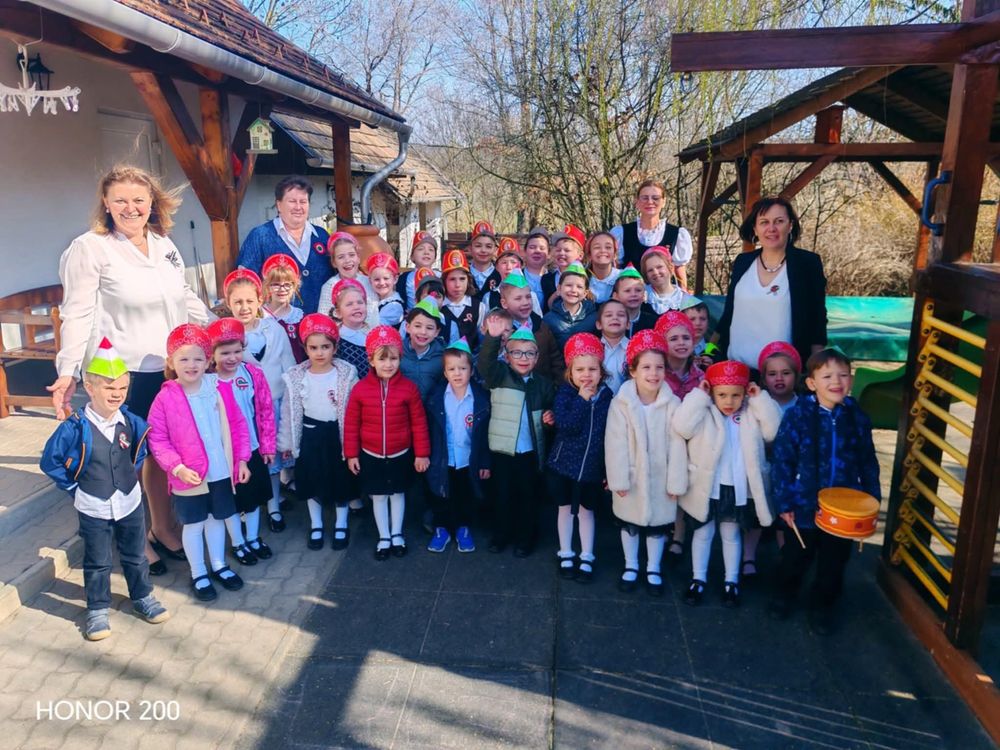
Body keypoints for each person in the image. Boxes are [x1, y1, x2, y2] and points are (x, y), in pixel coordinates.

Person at [50, 165, 214, 576]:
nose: (130, 208)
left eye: (139, 200)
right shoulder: (90, 248)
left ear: (152, 203)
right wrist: (68, 371)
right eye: (120, 200)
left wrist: (216, 329)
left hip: (165, 369)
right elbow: (76, 313)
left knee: (158, 455)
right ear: (105, 204)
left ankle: (163, 527)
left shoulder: (163, 244)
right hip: (118, 371)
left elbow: (184, 297)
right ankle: (135, 541)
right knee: (123, 460)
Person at [40, 339, 170, 641]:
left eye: (122, 388)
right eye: (109, 388)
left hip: (129, 501)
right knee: (98, 561)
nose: (117, 394)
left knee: (136, 554)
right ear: (89, 387)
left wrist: (131, 474)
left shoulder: (132, 421)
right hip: (93, 505)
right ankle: (97, 609)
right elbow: (50, 461)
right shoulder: (74, 427)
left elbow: (140, 449)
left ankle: (142, 596)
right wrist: (74, 487)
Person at [768, 348, 881, 635]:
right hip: (804, 504)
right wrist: (784, 501)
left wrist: (872, 499)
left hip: (844, 508)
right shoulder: (798, 415)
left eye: (843, 375)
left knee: (834, 561)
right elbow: (782, 460)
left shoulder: (856, 417)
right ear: (811, 383)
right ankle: (783, 595)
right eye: (827, 376)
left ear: (851, 380)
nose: (836, 382)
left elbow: (867, 460)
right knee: (795, 556)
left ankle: (823, 606)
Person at [146, 324, 251, 602]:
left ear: (208, 361)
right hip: (188, 475)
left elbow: (238, 425)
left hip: (220, 471)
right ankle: (198, 572)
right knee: (194, 525)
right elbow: (158, 439)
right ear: (171, 362)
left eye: (198, 359)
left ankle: (218, 564)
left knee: (216, 520)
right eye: (184, 359)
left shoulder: (218, 388)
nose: (191, 365)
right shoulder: (165, 398)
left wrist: (242, 460)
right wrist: (177, 467)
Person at [668, 361, 782, 608]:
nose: (729, 401)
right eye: (721, 395)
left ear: (745, 392)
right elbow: (681, 426)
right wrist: (699, 396)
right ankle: (698, 578)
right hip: (707, 486)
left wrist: (760, 399)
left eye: (735, 395)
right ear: (712, 392)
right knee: (703, 533)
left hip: (737, 487)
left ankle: (731, 581)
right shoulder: (704, 410)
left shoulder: (751, 412)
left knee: (731, 534)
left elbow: (773, 431)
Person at [344, 326, 431, 560]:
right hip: (371, 454)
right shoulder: (360, 390)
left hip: (400, 453)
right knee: (379, 496)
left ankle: (397, 533)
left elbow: (419, 423)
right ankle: (383, 536)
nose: (388, 364)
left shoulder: (408, 389)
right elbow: (351, 424)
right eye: (382, 359)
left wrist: (421, 453)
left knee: (398, 493)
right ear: (371, 360)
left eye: (393, 358)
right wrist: (351, 454)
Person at [604, 329, 680, 597]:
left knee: (658, 526)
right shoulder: (621, 404)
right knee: (630, 524)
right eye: (646, 367)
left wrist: (675, 481)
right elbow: (615, 444)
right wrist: (618, 479)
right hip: (632, 476)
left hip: (661, 477)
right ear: (633, 371)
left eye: (659, 367)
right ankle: (631, 564)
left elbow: (678, 445)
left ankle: (654, 567)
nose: (653, 373)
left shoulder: (672, 403)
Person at [715, 196, 828, 372]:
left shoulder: (807, 263)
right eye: (764, 222)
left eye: (779, 221)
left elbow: (817, 319)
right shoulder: (743, 262)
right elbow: (728, 314)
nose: (771, 228)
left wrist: (815, 369)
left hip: (783, 376)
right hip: (736, 371)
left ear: (790, 225)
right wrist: (709, 351)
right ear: (755, 228)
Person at [277, 314, 358, 551]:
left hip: (338, 436)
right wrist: (287, 442)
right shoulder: (296, 377)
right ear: (305, 349)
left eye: (325, 347)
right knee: (312, 481)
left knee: (341, 481)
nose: (320, 353)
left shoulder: (346, 374)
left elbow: (356, 409)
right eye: (313, 348)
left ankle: (341, 523)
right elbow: (289, 411)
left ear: (335, 347)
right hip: (311, 436)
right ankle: (316, 524)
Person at [225, 268, 295, 533]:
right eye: (237, 302)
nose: (244, 307)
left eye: (249, 301)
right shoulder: (227, 336)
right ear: (229, 303)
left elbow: (288, 364)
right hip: (241, 410)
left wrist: (290, 401)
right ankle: (248, 504)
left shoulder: (273, 329)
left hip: (272, 404)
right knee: (246, 457)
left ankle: (274, 505)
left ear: (259, 300)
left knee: (271, 457)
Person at [479, 325, 556, 556]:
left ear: (537, 357)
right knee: (501, 495)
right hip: (502, 451)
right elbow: (485, 365)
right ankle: (500, 535)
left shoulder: (543, 384)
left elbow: (549, 411)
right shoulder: (499, 376)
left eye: (529, 353)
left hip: (530, 451)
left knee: (527, 497)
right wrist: (493, 338)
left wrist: (550, 418)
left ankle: (525, 538)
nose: (523, 358)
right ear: (507, 356)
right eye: (517, 353)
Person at [206, 318, 276, 565]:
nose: (232, 358)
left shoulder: (252, 374)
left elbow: (266, 410)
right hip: (224, 454)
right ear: (212, 354)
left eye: (237, 351)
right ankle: (238, 542)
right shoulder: (208, 381)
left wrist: (268, 445)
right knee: (232, 502)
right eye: (225, 353)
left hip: (253, 448)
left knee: (253, 498)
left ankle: (254, 538)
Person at [547, 333, 612, 582]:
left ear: (601, 372)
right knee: (564, 509)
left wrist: (607, 470)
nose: (586, 375)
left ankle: (586, 555)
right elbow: (567, 425)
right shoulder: (565, 394)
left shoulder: (607, 397)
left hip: (592, 468)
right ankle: (565, 551)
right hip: (564, 465)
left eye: (592, 369)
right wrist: (583, 400)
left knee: (587, 511)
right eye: (580, 369)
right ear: (570, 373)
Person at [741, 340, 802, 577]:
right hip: (764, 468)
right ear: (764, 378)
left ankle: (786, 557)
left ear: (796, 375)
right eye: (772, 373)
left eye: (786, 373)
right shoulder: (756, 403)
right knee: (758, 514)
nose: (779, 378)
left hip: (792, 471)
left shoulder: (802, 406)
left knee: (786, 517)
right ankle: (748, 556)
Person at [425, 338, 492, 553]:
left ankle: (463, 527)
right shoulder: (436, 398)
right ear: (445, 373)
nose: (457, 373)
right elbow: (429, 430)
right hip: (442, 457)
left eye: (462, 368)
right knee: (440, 494)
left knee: (465, 494)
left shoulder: (480, 399)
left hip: (467, 458)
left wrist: (484, 462)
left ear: (471, 371)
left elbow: (484, 436)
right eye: (451, 369)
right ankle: (441, 529)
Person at [237, 176, 332, 314]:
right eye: (292, 201)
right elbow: (244, 282)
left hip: (322, 321)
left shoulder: (322, 236)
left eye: (303, 201)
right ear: (279, 205)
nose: (298, 207)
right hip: (277, 321)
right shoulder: (260, 236)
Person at [609, 178, 692, 290]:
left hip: (664, 297)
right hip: (632, 295)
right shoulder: (622, 233)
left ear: (663, 202)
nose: (650, 202)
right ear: (637, 202)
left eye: (655, 198)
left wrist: (684, 297)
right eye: (645, 198)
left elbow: (680, 273)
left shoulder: (676, 234)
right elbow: (616, 270)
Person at [498, 272, 565, 380]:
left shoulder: (542, 326)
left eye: (528, 297)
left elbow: (555, 359)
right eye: (518, 298)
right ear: (504, 303)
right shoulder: (500, 331)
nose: (525, 302)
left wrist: (557, 384)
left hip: (542, 387)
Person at [318, 232, 376, 322]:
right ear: (334, 263)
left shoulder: (369, 283)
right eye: (341, 257)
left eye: (351, 255)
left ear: (358, 258)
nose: (347, 260)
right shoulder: (329, 287)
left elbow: (376, 312)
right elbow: (324, 320)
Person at [262, 254, 306, 364]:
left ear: (294, 287)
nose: (282, 289)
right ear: (267, 286)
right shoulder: (260, 316)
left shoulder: (299, 318)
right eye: (276, 284)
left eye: (287, 284)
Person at [543, 262, 598, 348]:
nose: (573, 290)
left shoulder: (594, 318)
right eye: (568, 285)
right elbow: (548, 349)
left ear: (585, 293)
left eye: (579, 287)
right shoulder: (548, 319)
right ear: (559, 289)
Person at [401, 299, 446, 399]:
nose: (423, 332)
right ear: (407, 327)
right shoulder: (396, 352)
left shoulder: (443, 357)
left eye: (429, 328)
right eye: (417, 326)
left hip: (431, 407)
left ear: (437, 332)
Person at [656, 311, 704, 401]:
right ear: (662, 343)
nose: (681, 343)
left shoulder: (701, 378)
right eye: (673, 339)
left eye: (686, 338)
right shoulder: (654, 375)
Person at [440, 249, 483, 348]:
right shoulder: (439, 306)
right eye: (452, 279)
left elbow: (481, 339)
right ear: (444, 281)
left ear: (468, 280)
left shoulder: (478, 307)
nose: (457, 285)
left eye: (462, 279)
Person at [330, 279, 372, 379]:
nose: (356, 307)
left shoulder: (373, 335)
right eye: (349, 304)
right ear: (338, 313)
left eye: (360, 302)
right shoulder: (337, 341)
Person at [542, 224, 586, 313]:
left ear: (580, 255)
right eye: (558, 250)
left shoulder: (587, 277)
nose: (561, 253)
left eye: (567, 250)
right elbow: (547, 307)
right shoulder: (547, 278)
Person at [641, 246, 694, 315]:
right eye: (650, 270)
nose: (655, 272)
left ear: (670, 268)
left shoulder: (685, 300)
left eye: (659, 267)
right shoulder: (641, 296)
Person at [397, 231, 439, 310]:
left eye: (431, 250)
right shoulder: (404, 278)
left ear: (435, 258)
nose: (426, 252)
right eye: (421, 249)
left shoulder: (441, 276)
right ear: (412, 257)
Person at [611, 266, 657, 337]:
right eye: (627, 291)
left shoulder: (653, 323)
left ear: (644, 295)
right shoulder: (609, 322)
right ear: (616, 296)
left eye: (638, 290)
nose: (633, 294)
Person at [596, 300, 630, 395]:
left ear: (628, 324)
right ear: (599, 324)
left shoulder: (634, 350)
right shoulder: (591, 349)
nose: (615, 318)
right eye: (608, 315)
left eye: (621, 315)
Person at [366, 252, 405, 327]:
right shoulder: (375, 299)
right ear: (370, 281)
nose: (382, 283)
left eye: (386, 278)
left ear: (395, 279)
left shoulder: (394, 307)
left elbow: (374, 327)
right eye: (377, 279)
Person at [585, 231, 621, 304]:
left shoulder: (624, 276)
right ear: (589, 255)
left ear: (615, 254)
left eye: (608, 247)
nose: (603, 251)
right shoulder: (580, 277)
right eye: (597, 247)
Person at [683, 298, 714, 371]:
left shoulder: (714, 351)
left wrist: (713, 367)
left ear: (708, 322)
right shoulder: (677, 350)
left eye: (702, 319)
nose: (698, 323)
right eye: (692, 319)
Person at [467, 220, 498, 291]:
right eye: (478, 246)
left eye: (488, 246)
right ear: (470, 249)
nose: (483, 250)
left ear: (495, 250)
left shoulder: (500, 275)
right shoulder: (462, 276)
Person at [522, 227, 551, 304]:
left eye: (542, 248)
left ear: (549, 254)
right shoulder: (516, 277)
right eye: (532, 247)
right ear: (524, 252)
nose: (537, 251)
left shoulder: (554, 279)